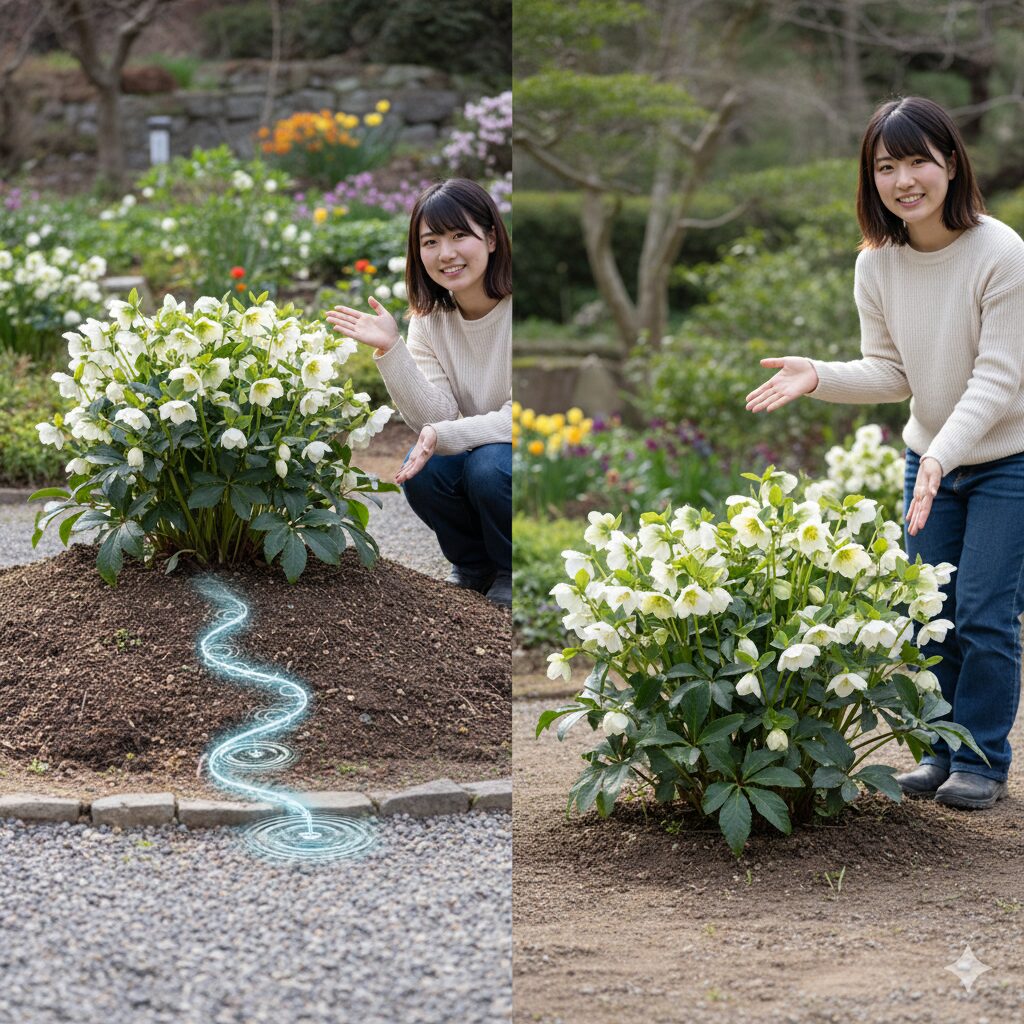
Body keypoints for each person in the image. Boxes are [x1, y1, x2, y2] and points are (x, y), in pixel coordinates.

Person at [745, 96, 1024, 811]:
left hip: (1006, 459)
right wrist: (820, 376)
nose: (903, 179)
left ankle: (984, 761)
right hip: (930, 458)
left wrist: (943, 457)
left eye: (918, 161)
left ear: (951, 163)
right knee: (927, 614)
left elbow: (997, 378)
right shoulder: (878, 264)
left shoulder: (1001, 253)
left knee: (985, 611)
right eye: (884, 166)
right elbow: (893, 373)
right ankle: (939, 749)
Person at [325, 178, 513, 607]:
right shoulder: (430, 320)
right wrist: (391, 350)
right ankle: (473, 564)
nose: (445, 253)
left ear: (491, 237)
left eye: (459, 235)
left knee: (487, 465)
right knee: (424, 469)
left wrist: (445, 435)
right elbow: (437, 414)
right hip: (482, 449)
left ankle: (512, 568)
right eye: (431, 241)